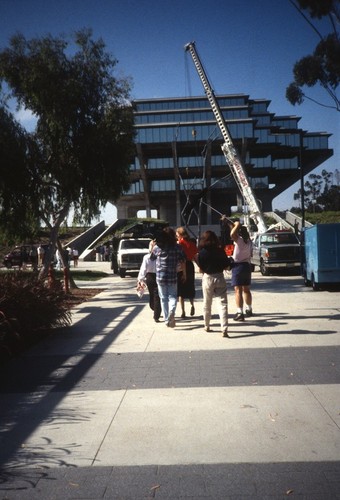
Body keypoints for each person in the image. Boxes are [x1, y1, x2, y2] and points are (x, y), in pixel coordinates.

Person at [197, 230, 232, 337]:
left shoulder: (202, 253)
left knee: (207, 303)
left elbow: (200, 269)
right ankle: (224, 328)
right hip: (219, 277)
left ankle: (206, 325)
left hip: (208, 278)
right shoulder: (220, 251)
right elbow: (227, 265)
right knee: (222, 304)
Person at [151, 227, 186, 328]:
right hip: (172, 275)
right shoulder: (177, 247)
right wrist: (183, 272)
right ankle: (172, 312)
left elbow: (152, 258)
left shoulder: (157, 248)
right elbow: (183, 259)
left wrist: (152, 246)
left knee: (163, 298)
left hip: (160, 276)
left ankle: (167, 319)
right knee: (173, 296)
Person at [228, 219, 253, 321]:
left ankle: (240, 312)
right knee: (246, 289)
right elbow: (251, 254)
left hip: (238, 266)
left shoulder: (239, 240)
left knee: (238, 290)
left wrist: (237, 224)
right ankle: (249, 309)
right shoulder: (249, 241)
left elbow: (232, 233)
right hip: (247, 266)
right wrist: (230, 223)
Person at [176, 227, 198, 318]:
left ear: (180, 235)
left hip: (181, 266)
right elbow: (195, 257)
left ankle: (183, 311)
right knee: (190, 286)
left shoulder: (180, 244)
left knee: (181, 290)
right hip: (190, 266)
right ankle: (192, 305)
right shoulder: (192, 243)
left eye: (177, 234)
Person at [137, 240, 161, 322]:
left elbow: (143, 269)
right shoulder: (159, 256)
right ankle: (156, 309)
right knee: (156, 295)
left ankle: (156, 313)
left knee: (154, 295)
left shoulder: (147, 257)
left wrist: (140, 278)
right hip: (156, 276)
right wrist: (140, 279)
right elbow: (143, 269)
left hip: (150, 277)